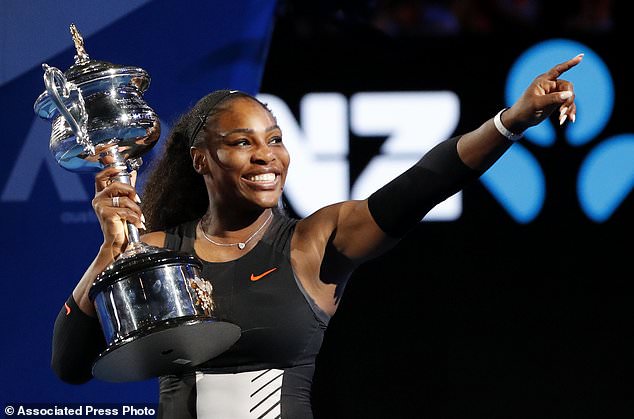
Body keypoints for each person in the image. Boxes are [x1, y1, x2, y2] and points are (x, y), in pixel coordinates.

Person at [51, 54, 583, 418]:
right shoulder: (159, 251)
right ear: (200, 160)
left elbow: (425, 184)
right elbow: (70, 367)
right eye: (242, 142)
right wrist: (109, 258)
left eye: (275, 140)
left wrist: (511, 120)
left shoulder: (314, 242)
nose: (267, 156)